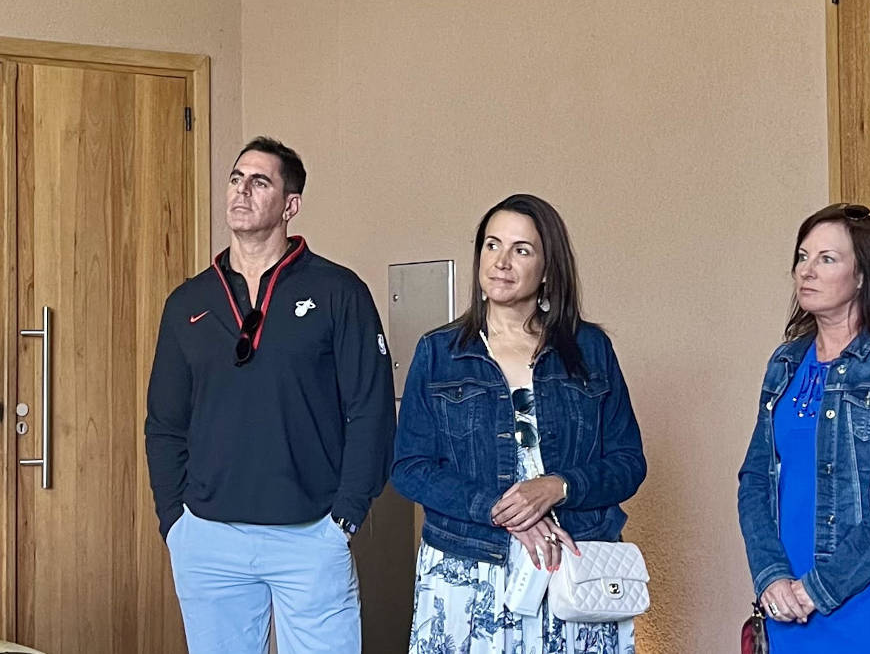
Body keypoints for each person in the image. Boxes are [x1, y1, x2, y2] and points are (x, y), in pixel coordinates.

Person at [143, 136, 396, 653]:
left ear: (290, 205)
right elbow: (164, 422)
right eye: (236, 179)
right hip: (207, 538)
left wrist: (344, 518)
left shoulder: (338, 292)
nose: (241, 190)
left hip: (311, 533)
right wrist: (175, 521)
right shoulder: (188, 302)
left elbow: (371, 411)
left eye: (259, 182)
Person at [393, 194, 644, 654]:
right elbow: (410, 468)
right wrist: (499, 509)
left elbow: (629, 463)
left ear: (547, 269)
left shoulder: (589, 349)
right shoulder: (438, 352)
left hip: (571, 569)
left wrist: (558, 487)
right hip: (467, 568)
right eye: (492, 245)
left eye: (521, 250)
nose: (501, 262)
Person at [733, 203, 870, 652]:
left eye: (826, 259)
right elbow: (755, 479)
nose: (806, 271)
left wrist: (818, 589)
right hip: (787, 604)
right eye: (802, 257)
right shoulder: (785, 362)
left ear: (862, 274)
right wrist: (771, 577)